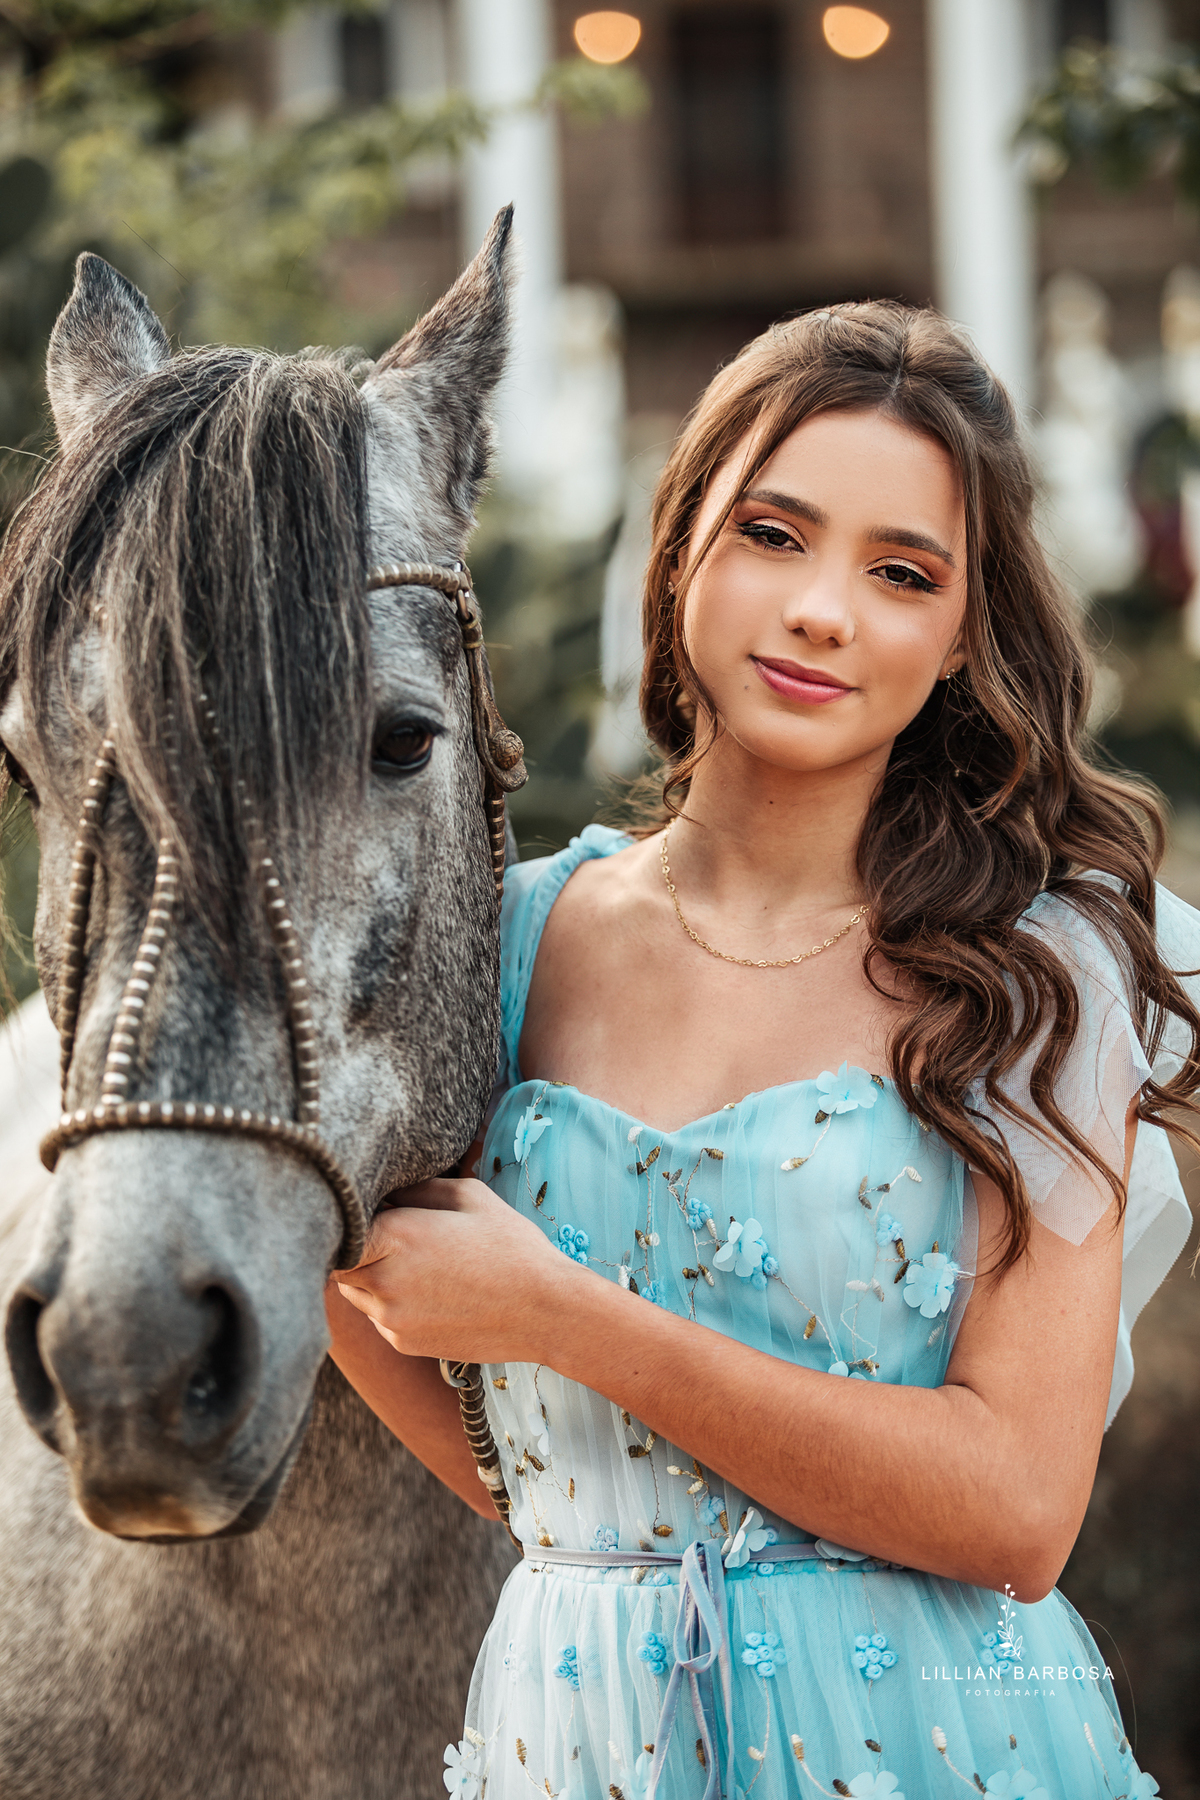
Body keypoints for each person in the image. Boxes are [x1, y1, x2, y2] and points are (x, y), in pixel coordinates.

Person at [327, 302, 1200, 1800]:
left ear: (960, 638)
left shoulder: (1033, 980)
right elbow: (510, 1458)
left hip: (943, 1746)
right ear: (681, 547)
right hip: (582, 1732)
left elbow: (1016, 1509)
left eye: (902, 573)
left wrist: (565, 1318)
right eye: (774, 536)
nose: (821, 612)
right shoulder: (504, 943)